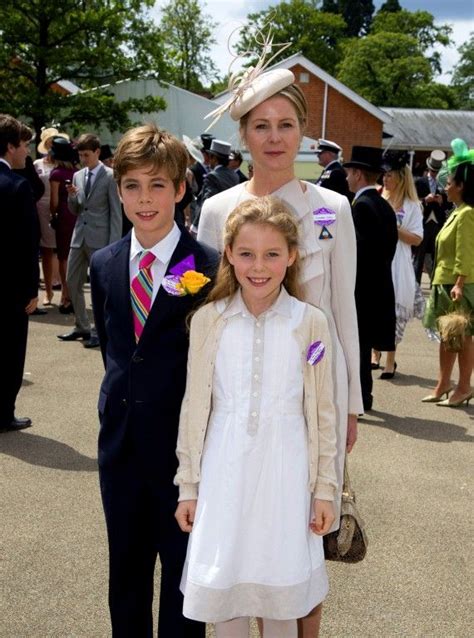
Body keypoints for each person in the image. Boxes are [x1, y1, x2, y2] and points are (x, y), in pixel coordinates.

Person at [198, 65, 362, 635]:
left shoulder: (331, 209)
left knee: (303, 540)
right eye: (261, 125)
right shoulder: (217, 211)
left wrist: (352, 405)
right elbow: (211, 314)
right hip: (241, 407)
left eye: (286, 124)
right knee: (240, 536)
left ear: (304, 134)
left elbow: (345, 314)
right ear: (243, 134)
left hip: (311, 400)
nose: (274, 137)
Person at [175, 196, 337, 637]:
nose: (258, 266)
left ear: (291, 256)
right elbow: (195, 406)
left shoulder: (310, 324)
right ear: (228, 253)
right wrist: (188, 484)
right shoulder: (209, 320)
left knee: (281, 603)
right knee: (225, 601)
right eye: (246, 253)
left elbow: (322, 410)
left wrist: (325, 489)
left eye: (271, 254)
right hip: (223, 474)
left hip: (287, 477)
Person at [90, 123, 219, 636]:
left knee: (184, 576)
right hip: (119, 446)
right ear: (118, 189)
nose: (145, 199)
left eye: (158, 185)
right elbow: (114, 347)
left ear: (181, 189)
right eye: (132, 186)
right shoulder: (104, 263)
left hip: (182, 451)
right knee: (125, 573)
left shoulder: (208, 267)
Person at [344, 146, 398, 412]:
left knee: (359, 345)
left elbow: (359, 251)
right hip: (379, 284)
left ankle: (361, 397)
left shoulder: (362, 206)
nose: (346, 177)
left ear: (358, 174)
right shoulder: (383, 205)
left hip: (362, 288)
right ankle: (363, 396)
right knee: (363, 345)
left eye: (349, 172)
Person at [422, 139, 474, 407]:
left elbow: (466, 251)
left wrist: (459, 282)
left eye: (450, 181)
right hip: (445, 281)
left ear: (462, 186)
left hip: (457, 284)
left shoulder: (466, 214)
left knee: (462, 337)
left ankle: (464, 387)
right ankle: (443, 384)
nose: (446, 186)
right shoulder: (457, 211)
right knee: (447, 336)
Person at [58, 133, 122, 348]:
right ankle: (82, 325)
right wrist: (71, 196)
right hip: (79, 237)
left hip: (102, 240)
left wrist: (114, 244)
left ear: (97, 152)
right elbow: (76, 209)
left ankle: (97, 329)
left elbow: (116, 212)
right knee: (71, 281)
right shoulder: (78, 176)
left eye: (86, 154)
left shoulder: (111, 176)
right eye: (80, 155)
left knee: (98, 287)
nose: (83, 159)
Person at [0, 114, 39, 432]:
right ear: (11, 146)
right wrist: (31, 289)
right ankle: (3, 413)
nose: (27, 151)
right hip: (10, 287)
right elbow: (27, 243)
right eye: (24, 144)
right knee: (10, 351)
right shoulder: (17, 186)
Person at [374, 151, 424, 378]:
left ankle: (390, 360)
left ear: (401, 178)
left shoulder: (411, 205)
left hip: (398, 262)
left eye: (390, 175)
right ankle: (375, 354)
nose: (385, 179)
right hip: (377, 259)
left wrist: (393, 227)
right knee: (375, 307)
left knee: (394, 310)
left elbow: (417, 238)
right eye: (384, 175)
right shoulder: (377, 198)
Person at [34, 127, 69, 306]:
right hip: (41, 209)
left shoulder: (63, 165)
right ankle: (48, 291)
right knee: (46, 251)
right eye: (48, 143)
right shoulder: (37, 165)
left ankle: (65, 291)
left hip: (61, 209)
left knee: (64, 253)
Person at [49, 137, 79, 313]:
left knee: (63, 258)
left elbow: (53, 202)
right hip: (76, 214)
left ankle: (65, 296)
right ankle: (74, 295)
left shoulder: (56, 174)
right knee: (75, 257)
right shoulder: (76, 171)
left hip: (63, 217)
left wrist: (52, 215)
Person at [414, 150, 450, 283]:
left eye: (437, 171)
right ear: (429, 168)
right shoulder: (420, 182)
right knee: (419, 256)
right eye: (433, 171)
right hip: (423, 223)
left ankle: (435, 284)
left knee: (437, 257)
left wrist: (442, 200)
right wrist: (425, 200)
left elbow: (449, 204)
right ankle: (415, 285)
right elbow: (413, 203)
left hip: (438, 224)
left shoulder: (445, 185)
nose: (435, 174)